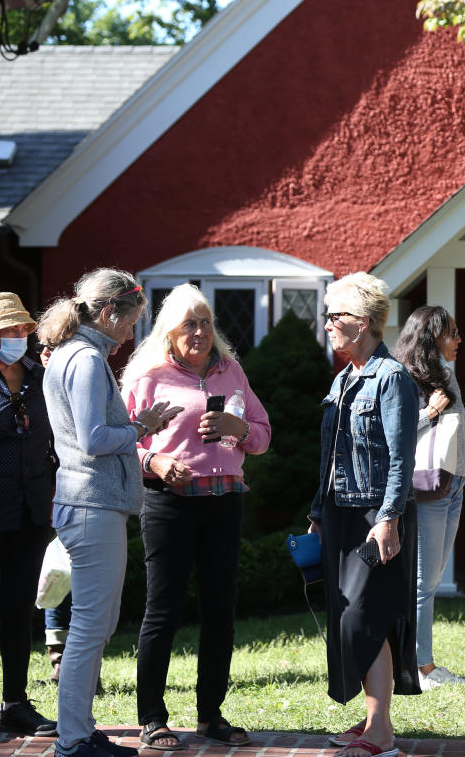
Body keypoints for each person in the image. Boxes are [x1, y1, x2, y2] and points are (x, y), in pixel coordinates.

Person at [120, 284, 272, 750]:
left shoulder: (231, 373)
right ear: (169, 331)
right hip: (170, 502)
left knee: (220, 612)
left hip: (225, 499)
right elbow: (122, 440)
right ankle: (152, 718)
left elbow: (263, 436)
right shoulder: (147, 376)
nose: (201, 331)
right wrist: (156, 463)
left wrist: (238, 427)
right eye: (190, 323)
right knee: (162, 611)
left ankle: (211, 716)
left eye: (206, 321)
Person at [39, 269, 181, 757]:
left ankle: (78, 729)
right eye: (130, 323)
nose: (131, 334)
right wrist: (142, 425)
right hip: (91, 504)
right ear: (107, 313)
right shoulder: (84, 359)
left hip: (89, 504)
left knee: (95, 621)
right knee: (90, 625)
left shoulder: (75, 354)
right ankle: (73, 739)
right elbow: (93, 439)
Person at [309, 273, 419, 757]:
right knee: (350, 615)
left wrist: (389, 518)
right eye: (328, 315)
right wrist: (317, 511)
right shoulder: (343, 377)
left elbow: (401, 457)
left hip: (377, 513)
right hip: (340, 513)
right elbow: (331, 454)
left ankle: (382, 734)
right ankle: (376, 719)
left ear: (368, 323)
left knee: (364, 616)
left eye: (338, 316)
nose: (329, 324)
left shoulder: (392, 377)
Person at [0, 293, 57, 743]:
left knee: (20, 608)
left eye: (22, 328)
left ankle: (15, 704)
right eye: (8, 331)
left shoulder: (42, 376)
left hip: (31, 508)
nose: (19, 336)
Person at [391, 305, 465, 691]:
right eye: (451, 333)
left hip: (454, 482)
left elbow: (457, 430)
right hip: (426, 487)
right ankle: (421, 668)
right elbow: (396, 434)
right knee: (423, 581)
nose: (458, 339)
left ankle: (422, 662)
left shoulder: (448, 376)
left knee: (433, 577)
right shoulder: (403, 377)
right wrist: (430, 412)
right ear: (431, 336)